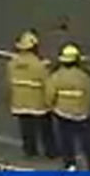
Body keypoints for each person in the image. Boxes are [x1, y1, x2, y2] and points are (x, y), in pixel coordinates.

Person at [46, 44, 90, 171]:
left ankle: (70, 164)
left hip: (62, 113)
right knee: (87, 140)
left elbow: (49, 96)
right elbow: (88, 94)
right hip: (82, 114)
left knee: (66, 140)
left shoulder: (56, 76)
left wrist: (53, 107)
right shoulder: (83, 77)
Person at [6, 31, 58, 160]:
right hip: (38, 103)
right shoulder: (39, 65)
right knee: (46, 130)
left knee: (26, 129)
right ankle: (51, 152)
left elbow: (10, 82)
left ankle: (30, 152)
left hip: (19, 102)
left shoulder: (12, 64)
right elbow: (48, 85)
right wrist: (50, 102)